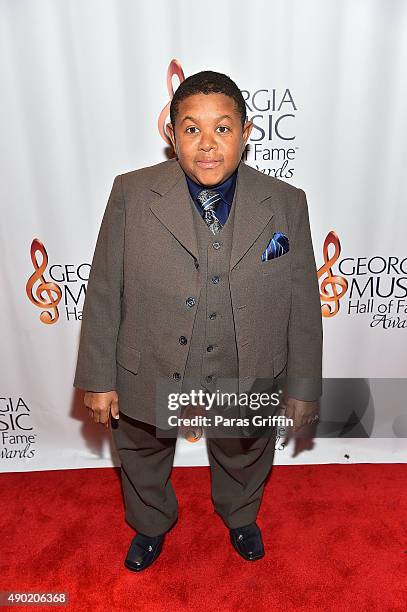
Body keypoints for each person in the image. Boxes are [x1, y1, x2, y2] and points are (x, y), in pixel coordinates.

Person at [73, 70, 323, 572]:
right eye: (191, 129)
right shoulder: (131, 192)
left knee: (244, 451)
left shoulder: (287, 202)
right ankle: (150, 524)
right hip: (152, 363)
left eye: (223, 129)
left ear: (247, 132)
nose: (207, 145)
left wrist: (303, 385)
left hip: (244, 363)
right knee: (143, 452)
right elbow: (104, 288)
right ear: (171, 133)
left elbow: (302, 299)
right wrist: (98, 378)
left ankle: (239, 513)